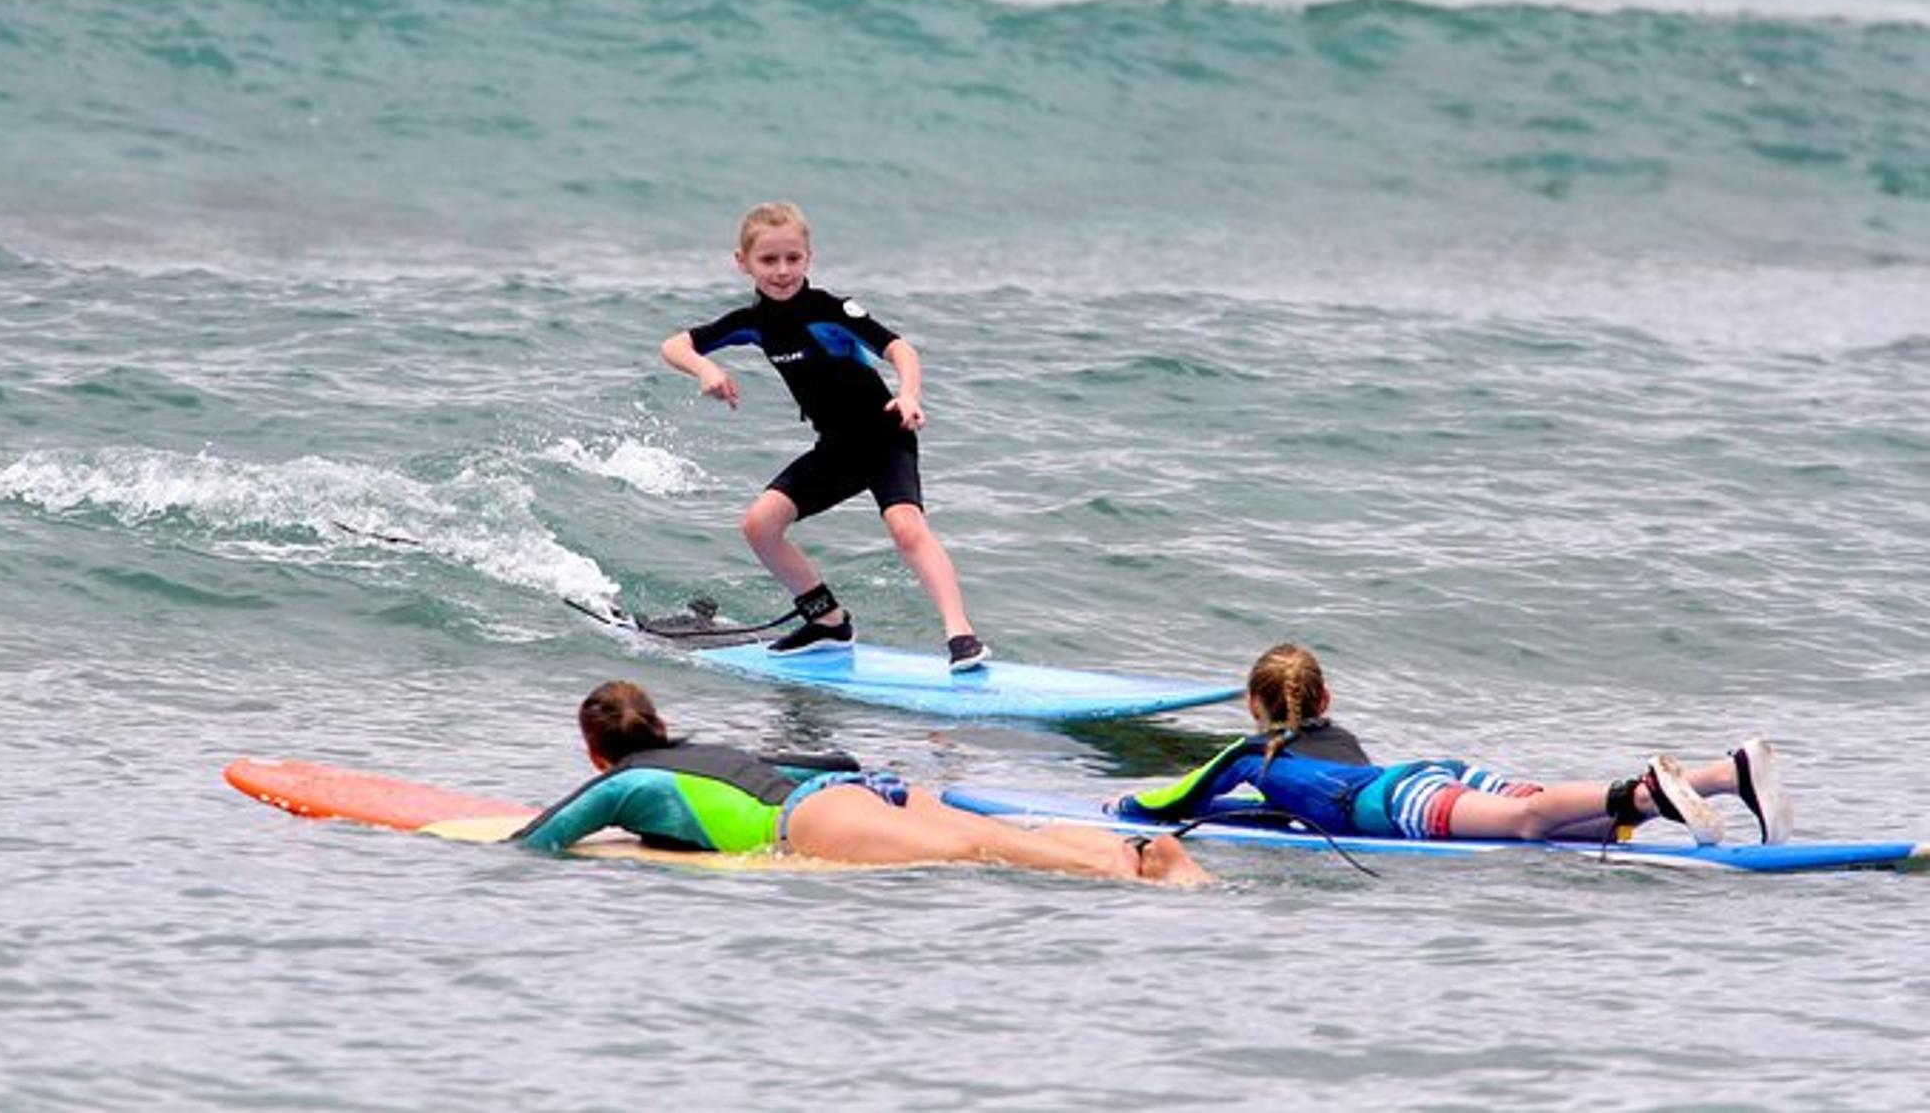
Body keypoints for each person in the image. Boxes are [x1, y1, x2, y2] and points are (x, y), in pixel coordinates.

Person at [661, 200, 988, 670]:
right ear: (743, 263)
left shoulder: (831, 310)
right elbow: (674, 344)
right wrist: (705, 369)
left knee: (905, 527)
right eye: (768, 260)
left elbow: (900, 348)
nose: (781, 270)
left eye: (793, 258)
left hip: (884, 435)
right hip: (836, 449)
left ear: (808, 259)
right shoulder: (753, 324)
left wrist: (909, 395)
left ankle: (962, 637)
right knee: (760, 526)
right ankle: (829, 622)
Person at [512, 681, 1211, 885]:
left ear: (594, 748)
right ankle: (1136, 852)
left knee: (976, 852)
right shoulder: (706, 749)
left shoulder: (620, 783)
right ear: (660, 723)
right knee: (994, 834)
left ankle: (1131, 864)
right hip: (849, 793)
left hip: (807, 826)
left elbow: (542, 838)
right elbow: (826, 763)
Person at [1112, 643, 1793, 847]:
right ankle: (1724, 775)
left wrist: (1120, 807)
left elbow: (1170, 799)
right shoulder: (1329, 740)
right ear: (1326, 701)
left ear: (1255, 708)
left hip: (1394, 798)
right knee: (1584, 829)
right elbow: (1282, 812)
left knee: (1529, 820)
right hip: (1428, 773)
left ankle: (1645, 787)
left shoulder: (1248, 755)